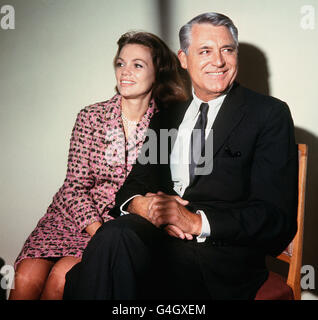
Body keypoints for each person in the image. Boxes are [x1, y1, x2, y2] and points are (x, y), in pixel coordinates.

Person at [63, 12, 298, 300]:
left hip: (219, 257)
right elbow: (132, 187)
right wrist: (146, 206)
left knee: (106, 272)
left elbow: (275, 217)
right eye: (205, 51)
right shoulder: (167, 118)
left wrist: (194, 221)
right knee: (113, 237)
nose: (219, 61)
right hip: (160, 242)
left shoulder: (268, 114)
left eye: (227, 50)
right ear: (184, 59)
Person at [9, 31, 188, 300]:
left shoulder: (168, 125)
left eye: (137, 65)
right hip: (70, 218)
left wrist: (107, 234)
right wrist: (94, 228)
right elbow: (73, 187)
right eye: (120, 63)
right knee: (25, 278)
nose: (125, 72)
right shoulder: (91, 117)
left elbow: (160, 190)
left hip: (117, 227)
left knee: (61, 280)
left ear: (158, 72)